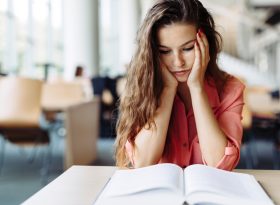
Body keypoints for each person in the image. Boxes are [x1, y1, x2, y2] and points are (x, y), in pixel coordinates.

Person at [115, 0, 245, 171]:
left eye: (188, 48)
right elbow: (142, 163)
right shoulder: (143, 87)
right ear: (152, 52)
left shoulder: (231, 88)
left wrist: (197, 88)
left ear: (206, 44)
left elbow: (219, 164)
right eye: (164, 51)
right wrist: (168, 90)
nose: (178, 62)